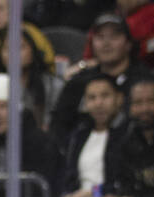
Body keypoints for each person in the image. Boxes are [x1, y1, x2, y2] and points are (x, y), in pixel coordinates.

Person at [58, 72, 129, 197]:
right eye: (92, 98)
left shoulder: (127, 135)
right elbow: (68, 176)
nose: (98, 103)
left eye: (105, 96)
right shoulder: (79, 135)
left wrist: (93, 194)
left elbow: (123, 181)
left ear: (118, 99)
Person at [50, 12, 143, 140]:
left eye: (114, 36)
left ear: (128, 43)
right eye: (100, 37)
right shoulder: (79, 81)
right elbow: (59, 125)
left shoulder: (143, 81)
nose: (106, 43)